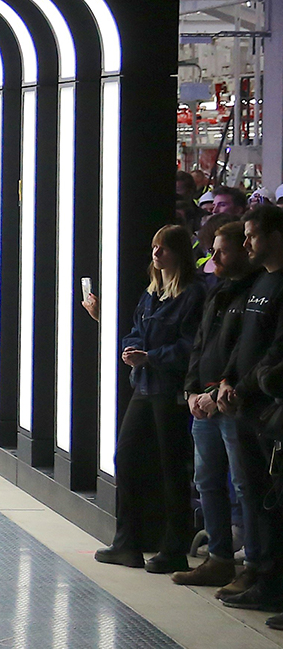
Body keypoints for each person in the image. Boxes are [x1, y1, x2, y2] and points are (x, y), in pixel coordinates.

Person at [95, 224, 206, 572]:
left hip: (169, 388)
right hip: (144, 384)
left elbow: (191, 346)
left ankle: (172, 546)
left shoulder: (192, 294)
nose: (156, 254)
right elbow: (136, 330)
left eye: (164, 248)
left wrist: (152, 357)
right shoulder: (151, 294)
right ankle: (127, 541)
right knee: (126, 457)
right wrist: (132, 349)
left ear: (179, 254)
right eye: (154, 247)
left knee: (171, 466)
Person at [210, 205, 283, 613]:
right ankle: (265, 579)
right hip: (243, 403)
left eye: (253, 236)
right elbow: (240, 342)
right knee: (255, 494)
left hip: (265, 406)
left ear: (274, 236)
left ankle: (269, 579)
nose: (247, 243)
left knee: (265, 500)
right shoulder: (261, 283)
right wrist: (225, 380)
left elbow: (274, 350)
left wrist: (245, 385)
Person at [174, 221, 254, 588]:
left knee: (244, 484)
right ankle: (219, 557)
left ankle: (254, 562)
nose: (215, 257)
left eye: (223, 250)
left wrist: (217, 390)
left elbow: (244, 352)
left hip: (231, 403)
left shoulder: (255, 292)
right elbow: (200, 344)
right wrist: (191, 391)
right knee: (206, 480)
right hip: (203, 403)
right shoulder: (216, 291)